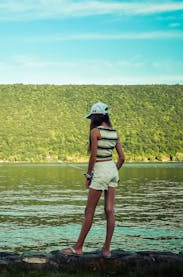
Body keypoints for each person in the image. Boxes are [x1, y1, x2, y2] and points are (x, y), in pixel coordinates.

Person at [61, 101, 125, 258]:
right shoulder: (115, 132)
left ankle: (78, 247)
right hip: (112, 169)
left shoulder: (95, 132)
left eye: (92, 117)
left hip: (101, 169)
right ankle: (107, 250)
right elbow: (122, 158)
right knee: (109, 211)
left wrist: (89, 176)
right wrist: (112, 170)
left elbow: (93, 156)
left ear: (96, 117)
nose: (91, 120)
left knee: (89, 211)